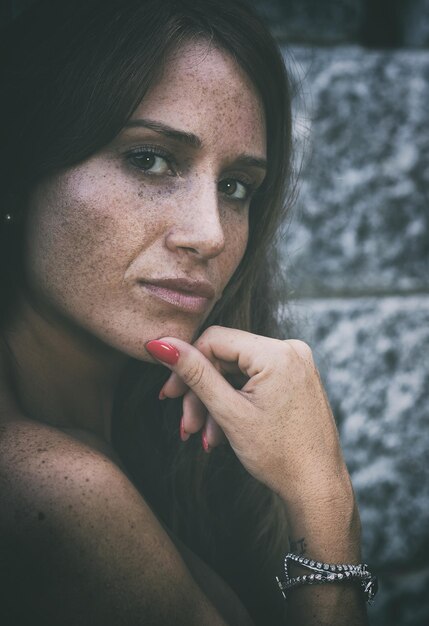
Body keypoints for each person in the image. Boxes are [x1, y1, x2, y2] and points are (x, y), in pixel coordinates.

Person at [0, 0, 375, 624]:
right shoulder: (61, 491)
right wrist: (324, 503)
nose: (211, 235)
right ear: (18, 172)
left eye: (235, 187)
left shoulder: (143, 432)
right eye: (149, 159)